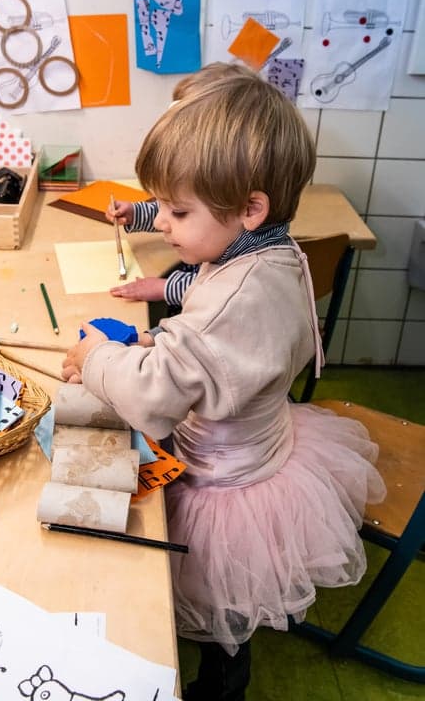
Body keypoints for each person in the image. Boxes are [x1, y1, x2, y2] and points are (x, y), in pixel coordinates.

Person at [62, 62, 386, 700]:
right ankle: (223, 655)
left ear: (249, 207)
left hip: (227, 482)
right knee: (217, 601)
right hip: (266, 441)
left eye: (177, 212)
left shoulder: (237, 291)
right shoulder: (269, 248)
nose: (162, 223)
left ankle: (222, 679)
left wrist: (99, 358)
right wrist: (160, 337)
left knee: (216, 602)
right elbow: (220, 351)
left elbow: (157, 391)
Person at [106, 63, 244, 311]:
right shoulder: (214, 205)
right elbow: (176, 210)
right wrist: (136, 214)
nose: (161, 220)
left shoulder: (244, 266)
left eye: (178, 211)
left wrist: (163, 287)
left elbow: (214, 288)